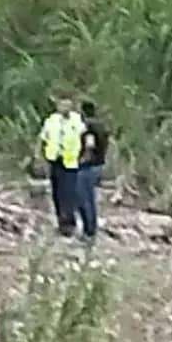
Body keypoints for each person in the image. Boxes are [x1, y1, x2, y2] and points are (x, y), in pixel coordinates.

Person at [38, 92, 86, 237]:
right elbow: (43, 138)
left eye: (67, 104)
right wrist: (39, 156)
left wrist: (84, 156)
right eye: (61, 104)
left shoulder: (77, 121)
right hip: (54, 160)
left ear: (71, 105)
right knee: (57, 192)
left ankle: (70, 223)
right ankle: (61, 221)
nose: (64, 107)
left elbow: (85, 139)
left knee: (69, 192)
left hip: (71, 161)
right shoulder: (51, 121)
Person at [77, 97, 108, 242]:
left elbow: (90, 145)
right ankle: (92, 229)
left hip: (87, 167)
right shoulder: (102, 126)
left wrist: (82, 160)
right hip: (99, 165)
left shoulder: (88, 127)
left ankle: (88, 231)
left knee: (83, 199)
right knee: (91, 199)